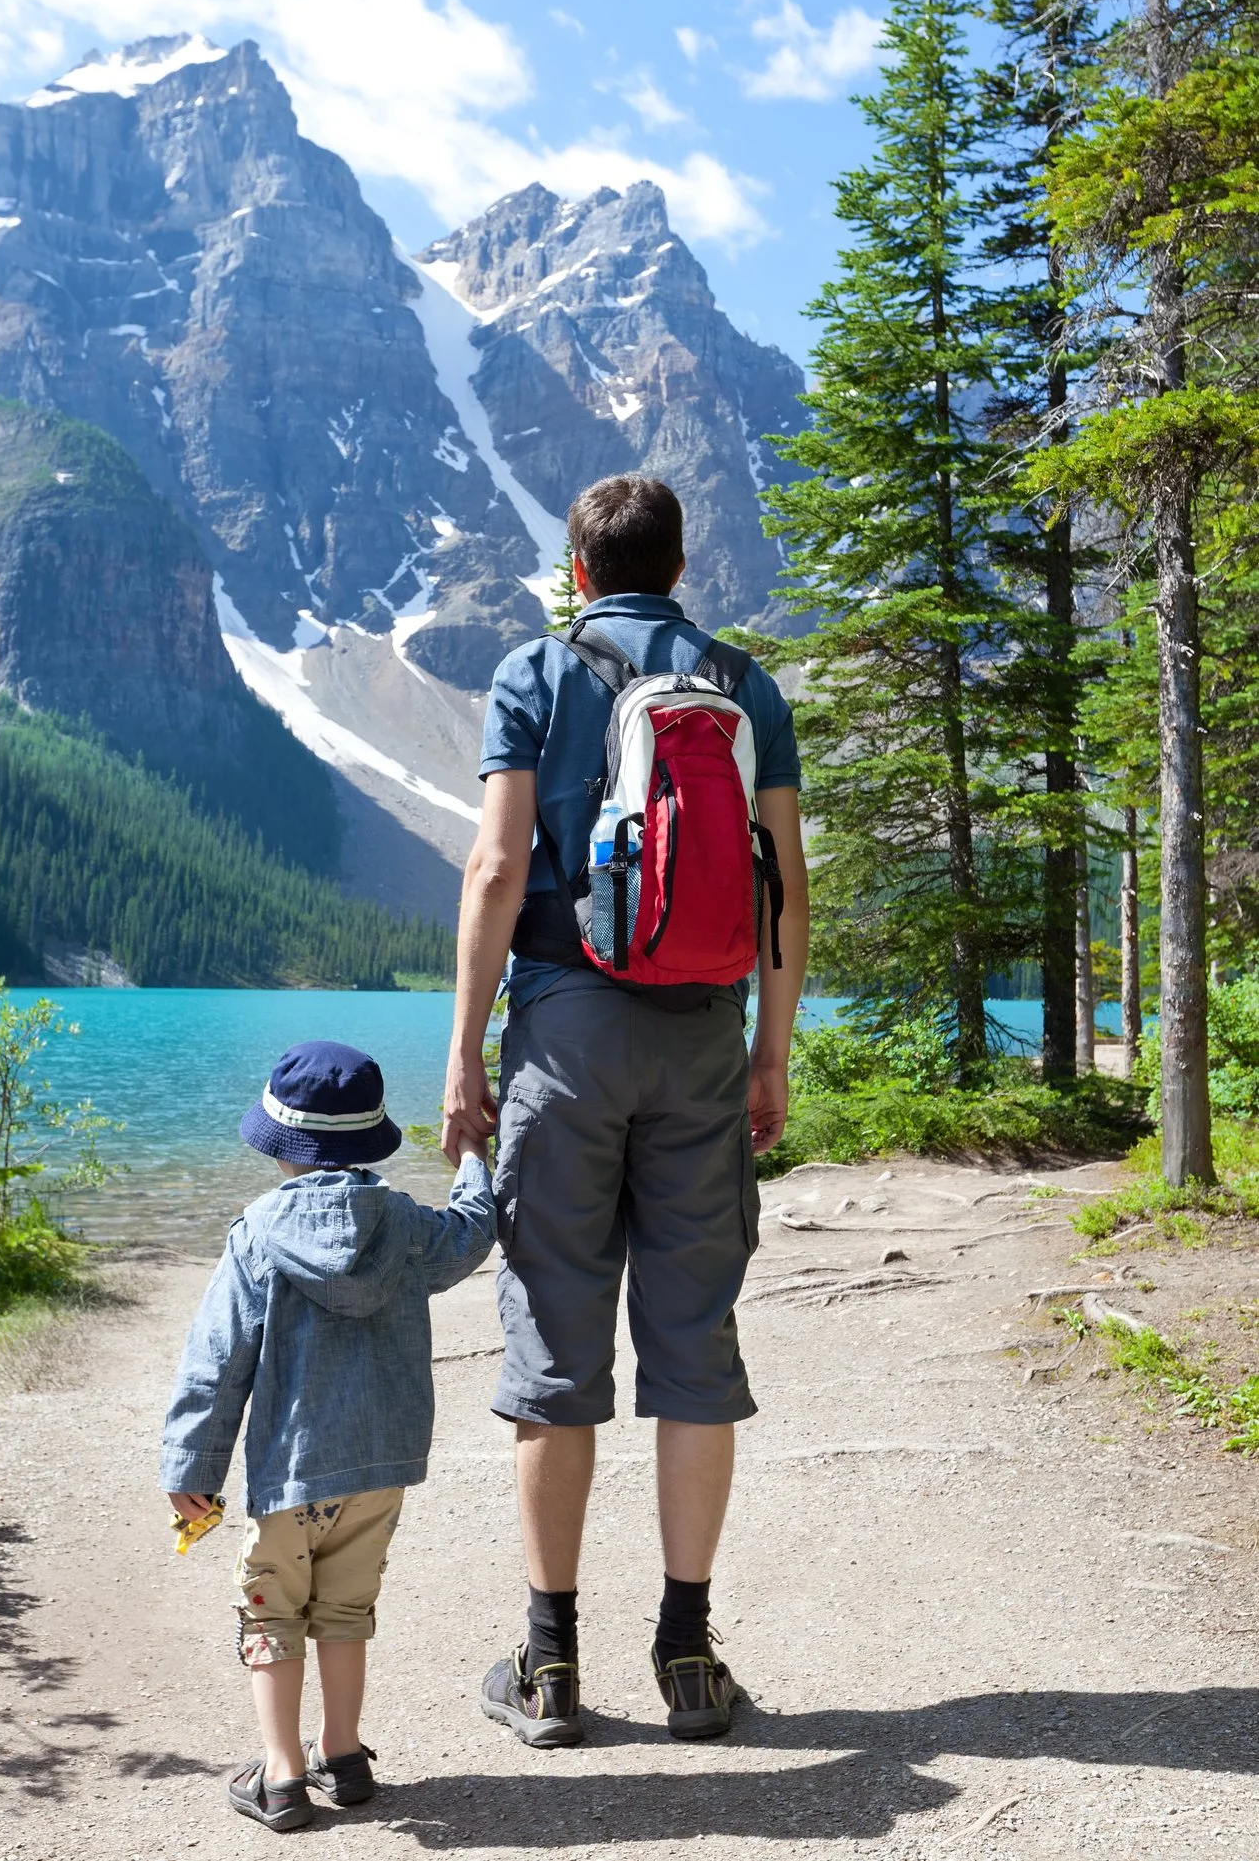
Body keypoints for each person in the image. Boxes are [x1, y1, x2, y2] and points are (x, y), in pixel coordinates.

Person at [441, 473, 809, 1748]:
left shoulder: (535, 672)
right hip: (704, 1037)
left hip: (564, 1032)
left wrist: (462, 1059)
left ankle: (549, 1668)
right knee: (694, 1346)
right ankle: (690, 1654)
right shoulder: (737, 682)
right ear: (680, 563)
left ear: (580, 571)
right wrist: (771, 1056)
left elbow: (495, 866)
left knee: (554, 1353)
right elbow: (785, 891)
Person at [160, 1039, 495, 1831]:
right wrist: (474, 1152)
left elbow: (215, 1361)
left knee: (271, 1613)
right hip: (379, 1467)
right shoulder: (405, 1224)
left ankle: (280, 1776)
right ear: (369, 1139)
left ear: (281, 1145)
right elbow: (474, 1229)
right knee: (346, 1609)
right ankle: (342, 1754)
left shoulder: (255, 1234)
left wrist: (192, 1462)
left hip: (291, 1471)